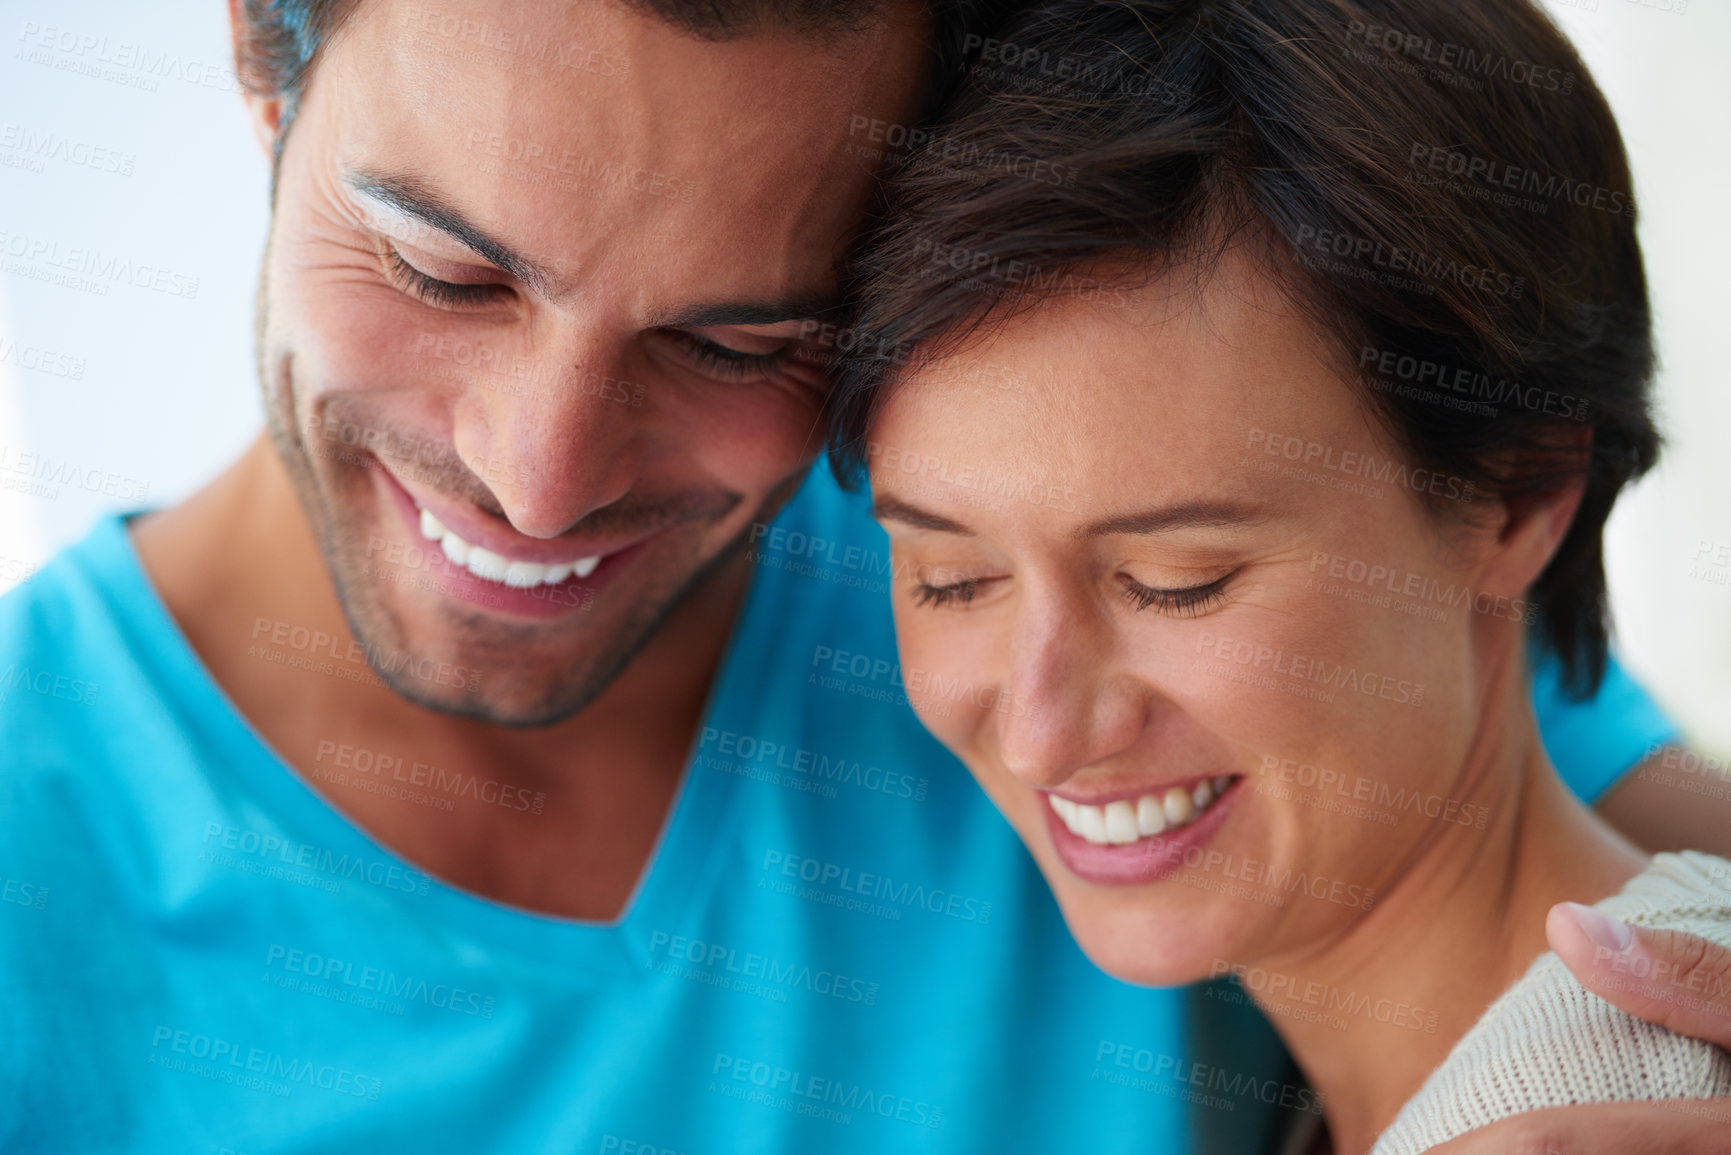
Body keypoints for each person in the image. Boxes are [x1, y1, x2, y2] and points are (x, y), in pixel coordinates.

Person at [0, 0, 1726, 1153]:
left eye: (733, 336)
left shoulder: (1027, 459)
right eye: (446, 268)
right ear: (259, 55)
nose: (544, 477)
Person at [827, 0, 1731, 1151]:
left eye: (1177, 579)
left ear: (1514, 498)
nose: (1044, 735)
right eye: (953, 579)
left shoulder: (1615, 1098)